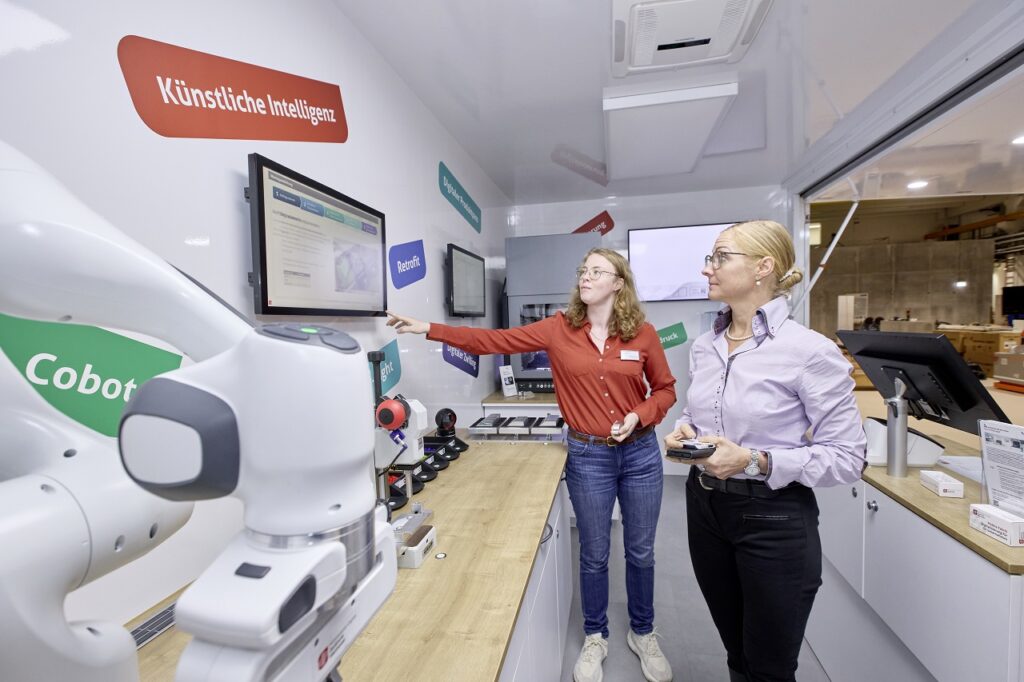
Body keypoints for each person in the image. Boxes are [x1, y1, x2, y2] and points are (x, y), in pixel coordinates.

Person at [388, 247, 677, 682]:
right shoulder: (559, 329)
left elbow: (666, 390)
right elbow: (492, 342)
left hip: (640, 455)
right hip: (588, 455)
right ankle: (596, 635)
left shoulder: (644, 334)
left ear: (619, 283)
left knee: (640, 551)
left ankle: (643, 631)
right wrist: (427, 328)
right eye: (583, 269)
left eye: (598, 271)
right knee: (595, 554)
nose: (586, 275)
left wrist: (639, 415)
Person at [664, 220, 866, 682]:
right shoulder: (705, 345)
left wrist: (756, 461)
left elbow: (848, 457)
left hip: (773, 519)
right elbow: (708, 418)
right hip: (707, 508)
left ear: (763, 267)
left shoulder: (808, 351)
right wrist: (686, 432)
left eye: (719, 257)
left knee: (770, 667)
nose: (706, 268)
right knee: (736, 653)